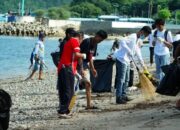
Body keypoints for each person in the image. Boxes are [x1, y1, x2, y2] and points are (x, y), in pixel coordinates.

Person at [115, 26, 151, 104]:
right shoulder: (133, 37)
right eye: (145, 35)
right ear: (142, 31)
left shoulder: (138, 40)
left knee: (127, 79)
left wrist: (143, 65)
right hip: (121, 59)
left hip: (127, 60)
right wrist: (128, 50)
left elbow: (138, 53)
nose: (144, 37)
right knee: (121, 79)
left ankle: (124, 95)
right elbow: (122, 41)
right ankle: (118, 97)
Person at [57, 28, 86, 117]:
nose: (81, 42)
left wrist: (77, 73)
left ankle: (63, 109)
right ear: (79, 37)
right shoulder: (74, 41)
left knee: (63, 89)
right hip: (67, 67)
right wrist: (83, 55)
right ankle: (64, 111)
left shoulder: (68, 42)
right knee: (69, 90)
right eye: (82, 39)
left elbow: (71, 57)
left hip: (62, 67)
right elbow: (77, 55)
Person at [79, 30, 108, 109]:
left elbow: (90, 57)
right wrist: (81, 69)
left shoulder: (95, 44)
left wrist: (93, 68)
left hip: (86, 65)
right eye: (100, 39)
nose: (100, 41)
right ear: (97, 35)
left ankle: (89, 105)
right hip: (79, 64)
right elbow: (80, 56)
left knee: (88, 85)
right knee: (86, 84)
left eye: (102, 41)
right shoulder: (87, 42)